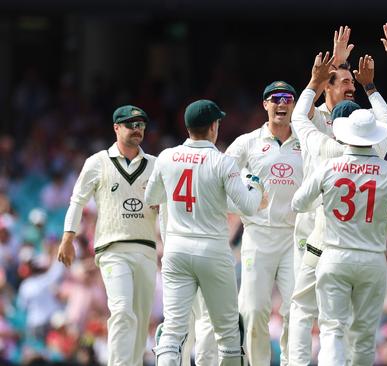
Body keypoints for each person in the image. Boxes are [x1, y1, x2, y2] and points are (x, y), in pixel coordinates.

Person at [289, 23, 387, 365]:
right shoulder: (372, 134)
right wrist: (361, 82)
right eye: (343, 81)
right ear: (328, 87)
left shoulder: (348, 130)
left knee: (326, 321)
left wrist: (318, 79)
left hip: (330, 236)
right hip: (340, 237)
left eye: (351, 82)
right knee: (324, 317)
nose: (351, 86)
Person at [145, 99, 265, 366]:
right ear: (213, 127)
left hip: (176, 250)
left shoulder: (166, 157)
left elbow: (151, 196)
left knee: (173, 330)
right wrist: (255, 185)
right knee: (228, 333)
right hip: (212, 250)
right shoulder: (222, 162)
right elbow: (248, 206)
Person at [57, 105, 158, 365]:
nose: (137, 130)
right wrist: (68, 238)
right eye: (130, 124)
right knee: (122, 311)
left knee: (139, 316)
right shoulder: (97, 162)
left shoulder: (155, 165)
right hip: (112, 249)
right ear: (116, 127)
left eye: (141, 125)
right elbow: (77, 201)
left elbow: (167, 208)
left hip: (146, 249)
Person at [224, 80, 302, 366]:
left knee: (297, 310)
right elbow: (220, 176)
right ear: (265, 104)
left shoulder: (306, 141)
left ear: (294, 105)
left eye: (288, 99)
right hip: (257, 234)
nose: (282, 103)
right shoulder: (248, 142)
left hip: (294, 237)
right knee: (253, 310)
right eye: (275, 98)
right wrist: (240, 202)